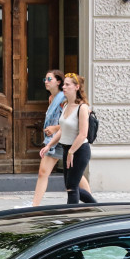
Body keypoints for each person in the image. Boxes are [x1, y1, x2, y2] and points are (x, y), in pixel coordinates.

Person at [33, 69, 92, 206]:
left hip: (78, 148)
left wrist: (71, 151)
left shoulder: (81, 107)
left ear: (76, 87)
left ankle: (71, 217)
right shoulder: (65, 105)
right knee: (72, 185)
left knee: (71, 187)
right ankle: (94, 207)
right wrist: (49, 145)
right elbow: (63, 126)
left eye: (67, 85)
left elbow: (83, 133)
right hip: (65, 146)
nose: (64, 87)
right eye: (64, 85)